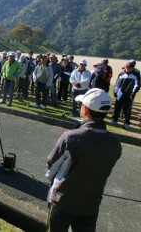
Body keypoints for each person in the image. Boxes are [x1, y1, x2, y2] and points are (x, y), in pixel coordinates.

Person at [46, 88, 121, 232]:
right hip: (91, 204)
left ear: (85, 109)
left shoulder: (71, 137)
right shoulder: (115, 143)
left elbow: (50, 170)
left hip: (63, 202)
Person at [110, 61, 140, 129]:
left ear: (132, 68)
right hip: (120, 94)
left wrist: (133, 92)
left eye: (129, 68)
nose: (127, 69)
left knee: (127, 109)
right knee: (117, 108)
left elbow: (137, 85)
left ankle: (126, 123)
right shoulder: (121, 74)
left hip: (129, 94)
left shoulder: (136, 75)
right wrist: (115, 91)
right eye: (126, 67)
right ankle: (114, 119)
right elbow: (117, 83)